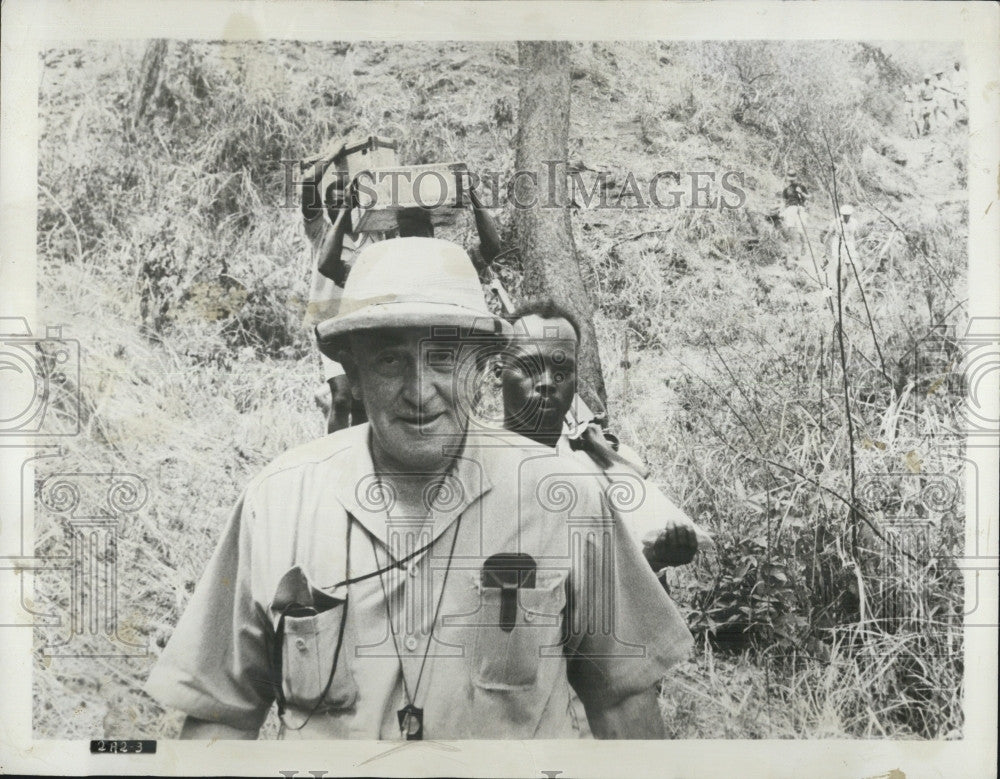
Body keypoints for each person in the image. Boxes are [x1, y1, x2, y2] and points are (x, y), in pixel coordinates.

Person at [144, 237, 693, 740]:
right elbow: (218, 724)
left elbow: (624, 706)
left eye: (445, 358)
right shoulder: (279, 503)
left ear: (481, 367)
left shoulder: (564, 500)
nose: (420, 391)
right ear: (353, 375)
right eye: (390, 360)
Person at [500, 298, 712, 571]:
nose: (548, 383)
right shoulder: (470, 459)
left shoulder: (598, 461)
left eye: (562, 371)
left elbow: (604, 579)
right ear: (498, 371)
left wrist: (657, 557)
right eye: (530, 367)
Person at [780, 170, 810, 259]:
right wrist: (782, 210)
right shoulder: (786, 189)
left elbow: (808, 197)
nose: (791, 180)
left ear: (796, 177)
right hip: (790, 209)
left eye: (793, 178)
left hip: (800, 208)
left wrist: (801, 193)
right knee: (791, 230)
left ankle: (804, 246)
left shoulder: (801, 186)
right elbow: (784, 202)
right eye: (790, 179)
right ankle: (794, 253)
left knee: (801, 230)